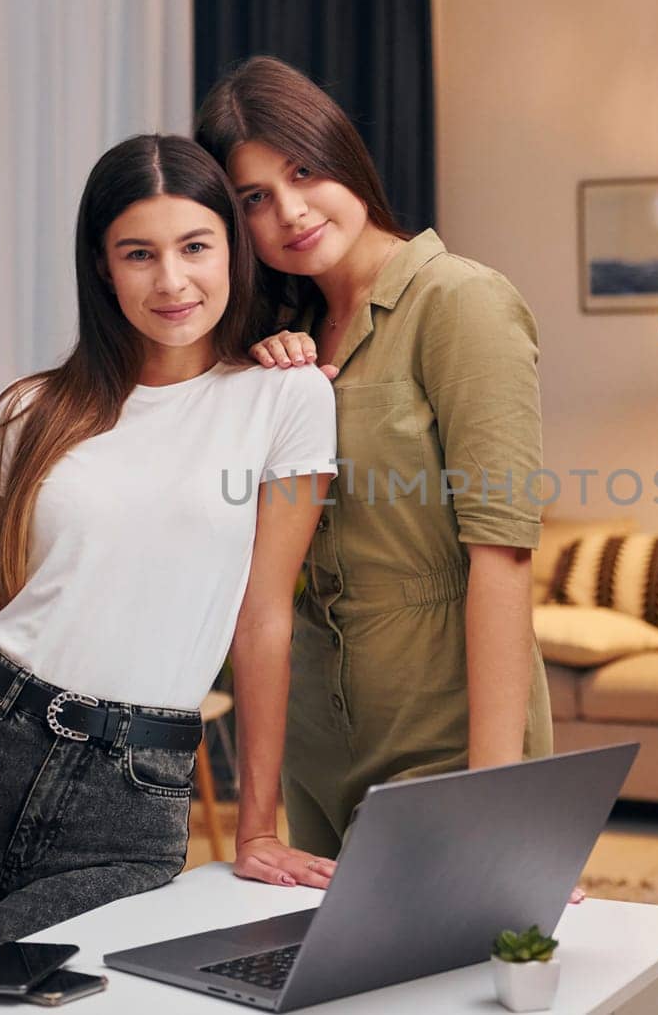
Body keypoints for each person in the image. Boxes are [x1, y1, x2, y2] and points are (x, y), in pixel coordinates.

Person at [0, 134, 339, 998]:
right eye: (138, 254)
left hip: (127, 804)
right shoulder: (27, 411)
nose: (172, 281)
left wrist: (257, 828)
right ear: (102, 267)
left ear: (232, 247)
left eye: (195, 247)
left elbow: (263, 620)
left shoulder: (286, 398)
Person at [196, 57, 553, 861]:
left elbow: (502, 553)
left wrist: (490, 793)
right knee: (328, 986)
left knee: (446, 984)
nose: (289, 211)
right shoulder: (279, 343)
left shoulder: (460, 303)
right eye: (254, 198)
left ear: (343, 154)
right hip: (315, 751)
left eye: (304, 170)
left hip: (445, 741)